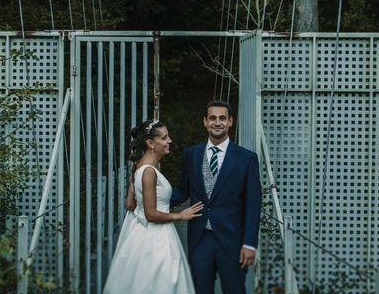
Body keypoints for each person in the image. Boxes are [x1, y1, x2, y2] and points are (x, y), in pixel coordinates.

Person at [171, 100, 262, 294]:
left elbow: (253, 205)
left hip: (233, 241)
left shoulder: (247, 158)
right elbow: (182, 191)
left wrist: (249, 244)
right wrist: (152, 197)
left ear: (230, 121)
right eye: (212, 118)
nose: (217, 122)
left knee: (234, 290)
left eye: (222, 118)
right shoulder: (191, 154)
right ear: (205, 122)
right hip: (200, 238)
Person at [103, 119, 204, 294]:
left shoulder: (139, 167)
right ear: (151, 143)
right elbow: (150, 214)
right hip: (158, 237)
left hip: (141, 235)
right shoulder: (149, 171)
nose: (170, 141)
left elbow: (130, 204)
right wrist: (180, 215)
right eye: (164, 138)